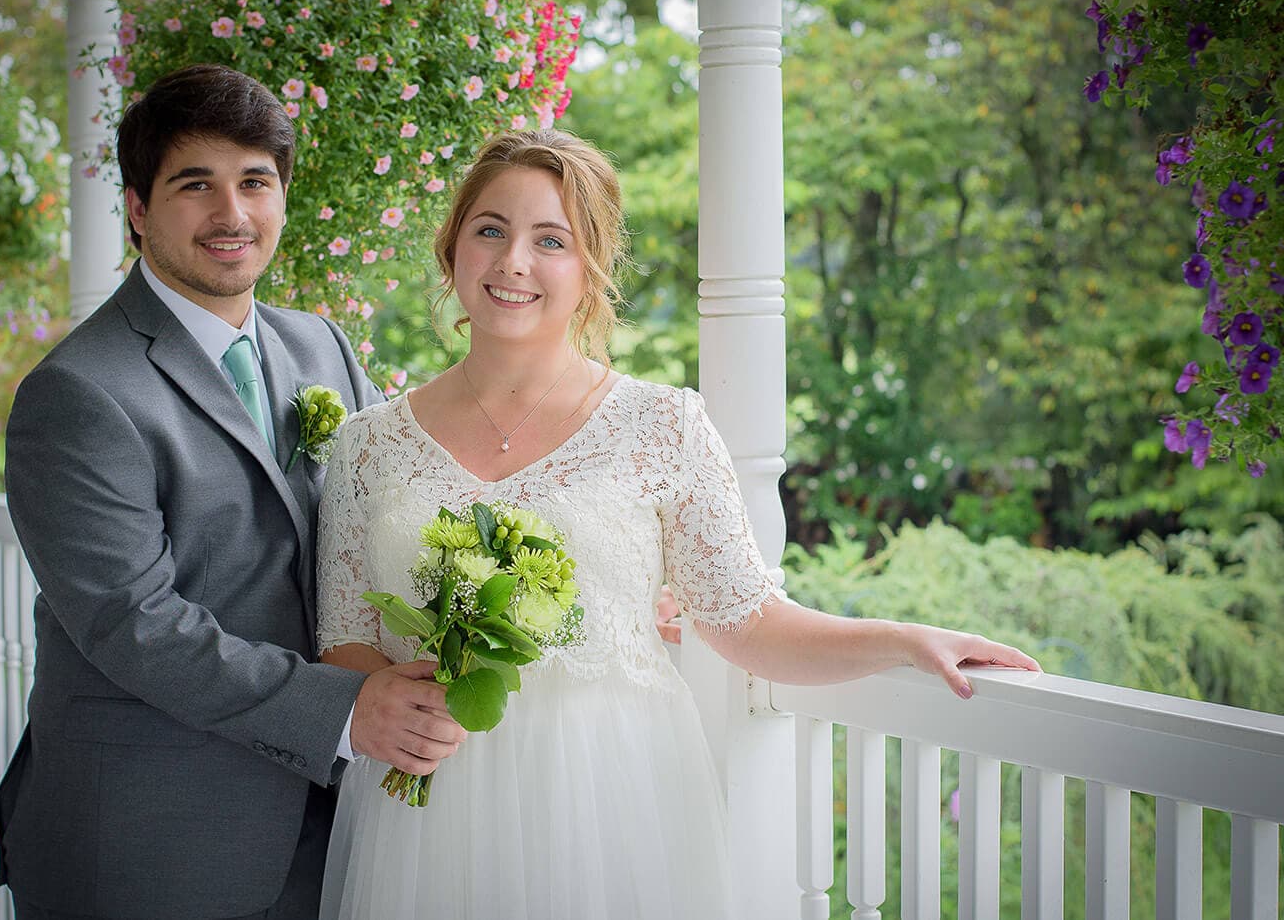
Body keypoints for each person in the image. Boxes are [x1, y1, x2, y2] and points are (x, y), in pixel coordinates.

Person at [314, 129, 1041, 919]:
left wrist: (902, 639)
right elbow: (345, 640)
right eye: (490, 229)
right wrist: (396, 697)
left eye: (550, 240)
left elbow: (750, 622)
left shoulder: (664, 426)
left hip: (612, 802)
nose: (513, 260)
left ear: (591, 270)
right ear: (453, 246)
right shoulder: (367, 444)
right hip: (430, 809)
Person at [0, 64, 467, 920]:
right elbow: (132, 623)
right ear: (138, 210)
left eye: (255, 182)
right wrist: (349, 709)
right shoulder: (77, 394)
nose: (233, 214)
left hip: (327, 827)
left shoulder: (320, 347)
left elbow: (397, 511)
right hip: (153, 833)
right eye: (195, 185)